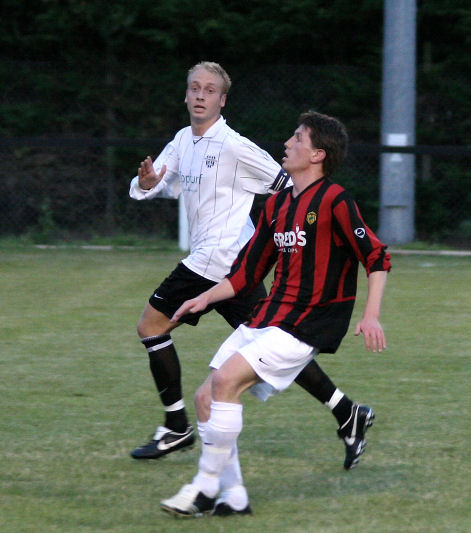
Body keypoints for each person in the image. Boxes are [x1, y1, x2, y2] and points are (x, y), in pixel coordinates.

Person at [129, 62, 374, 472]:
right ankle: (347, 412)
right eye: (194, 88)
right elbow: (161, 186)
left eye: (210, 90)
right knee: (274, 346)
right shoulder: (180, 142)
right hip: (238, 267)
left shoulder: (235, 146)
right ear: (187, 96)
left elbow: (286, 183)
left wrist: (293, 235)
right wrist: (149, 183)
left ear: (222, 100)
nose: (201, 95)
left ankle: (176, 425)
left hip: (217, 261)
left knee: (151, 326)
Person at [159, 111, 391, 518]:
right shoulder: (277, 204)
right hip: (269, 315)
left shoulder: (335, 200)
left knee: (226, 381)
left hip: (308, 323)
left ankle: (203, 488)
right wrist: (205, 298)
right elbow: (248, 272)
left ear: (317, 154)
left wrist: (370, 316)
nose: (287, 143)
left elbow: (376, 256)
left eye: (297, 138)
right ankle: (234, 498)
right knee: (205, 399)